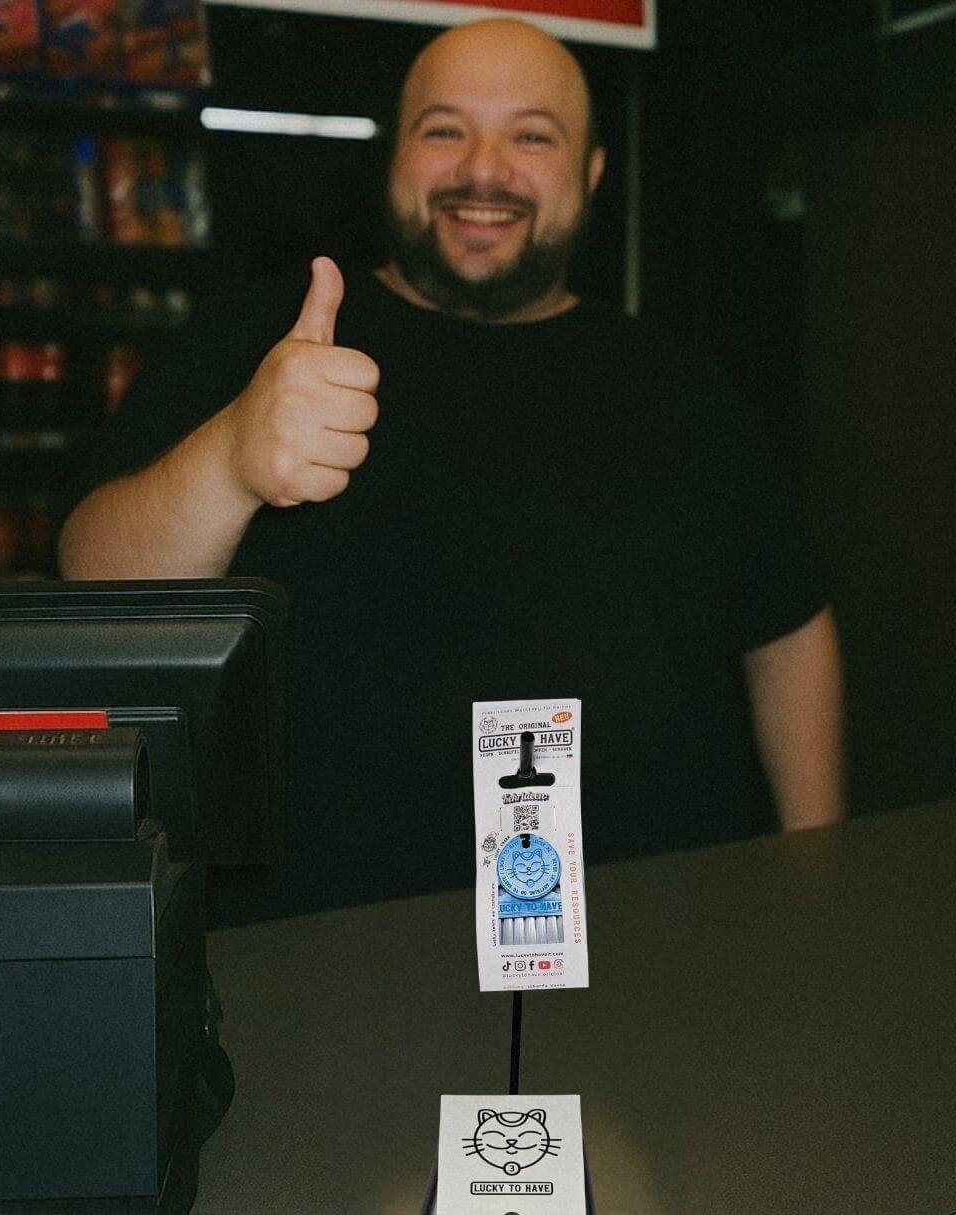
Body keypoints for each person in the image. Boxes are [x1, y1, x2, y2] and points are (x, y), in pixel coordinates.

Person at [59, 18, 844, 920]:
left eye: (531, 135)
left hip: (656, 950)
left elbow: (786, 630)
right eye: (444, 129)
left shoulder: (685, 387)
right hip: (325, 960)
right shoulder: (265, 345)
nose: (483, 169)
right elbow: (94, 585)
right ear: (393, 157)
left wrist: (815, 879)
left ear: (589, 174)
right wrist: (232, 458)